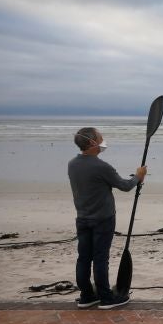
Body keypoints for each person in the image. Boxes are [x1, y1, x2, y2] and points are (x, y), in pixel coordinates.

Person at [67, 127, 147, 309]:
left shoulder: (72, 164)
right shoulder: (101, 166)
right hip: (103, 219)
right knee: (101, 258)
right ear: (92, 142)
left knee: (84, 258)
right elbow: (125, 186)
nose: (103, 139)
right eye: (99, 137)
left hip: (82, 218)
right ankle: (106, 298)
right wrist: (138, 176)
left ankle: (87, 295)